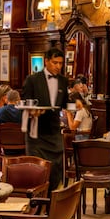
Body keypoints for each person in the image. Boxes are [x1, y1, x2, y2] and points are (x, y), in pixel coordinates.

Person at [22, 46, 68, 192]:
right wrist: (32, 112)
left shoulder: (63, 81)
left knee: (56, 171)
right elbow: (25, 103)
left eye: (60, 63)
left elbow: (65, 103)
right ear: (46, 61)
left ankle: (50, 205)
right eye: (55, 63)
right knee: (37, 172)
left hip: (54, 132)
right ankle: (37, 206)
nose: (58, 66)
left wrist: (77, 104)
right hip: (37, 134)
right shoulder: (32, 80)